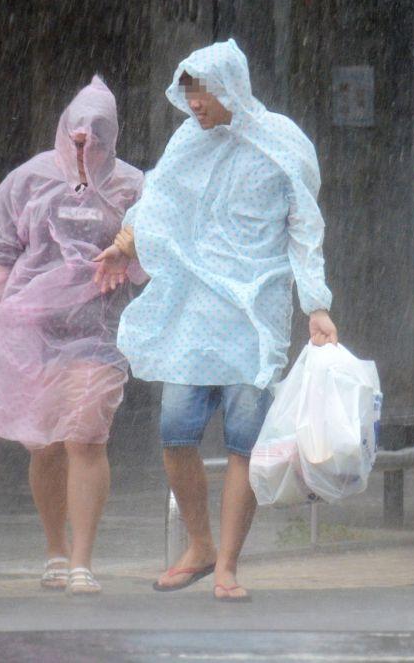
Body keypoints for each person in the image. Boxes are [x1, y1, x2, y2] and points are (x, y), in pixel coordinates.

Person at [95, 39, 337, 602]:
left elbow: (305, 227)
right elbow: (159, 202)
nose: (194, 103)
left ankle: (227, 563)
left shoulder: (282, 143)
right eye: (188, 91)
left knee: (243, 441)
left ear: (231, 85)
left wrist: (315, 304)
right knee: (176, 431)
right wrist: (125, 244)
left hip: (256, 312)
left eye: (201, 90)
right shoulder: (187, 142)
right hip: (193, 311)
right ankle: (199, 545)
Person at [0, 78, 144, 596]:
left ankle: (82, 560)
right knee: (46, 446)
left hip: (97, 330)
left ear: (113, 134)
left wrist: (130, 253)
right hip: (30, 330)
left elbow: (158, 249)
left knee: (85, 437)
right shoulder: (28, 181)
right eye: (77, 135)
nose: (85, 145)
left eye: (97, 135)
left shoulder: (132, 188)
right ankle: (55, 550)